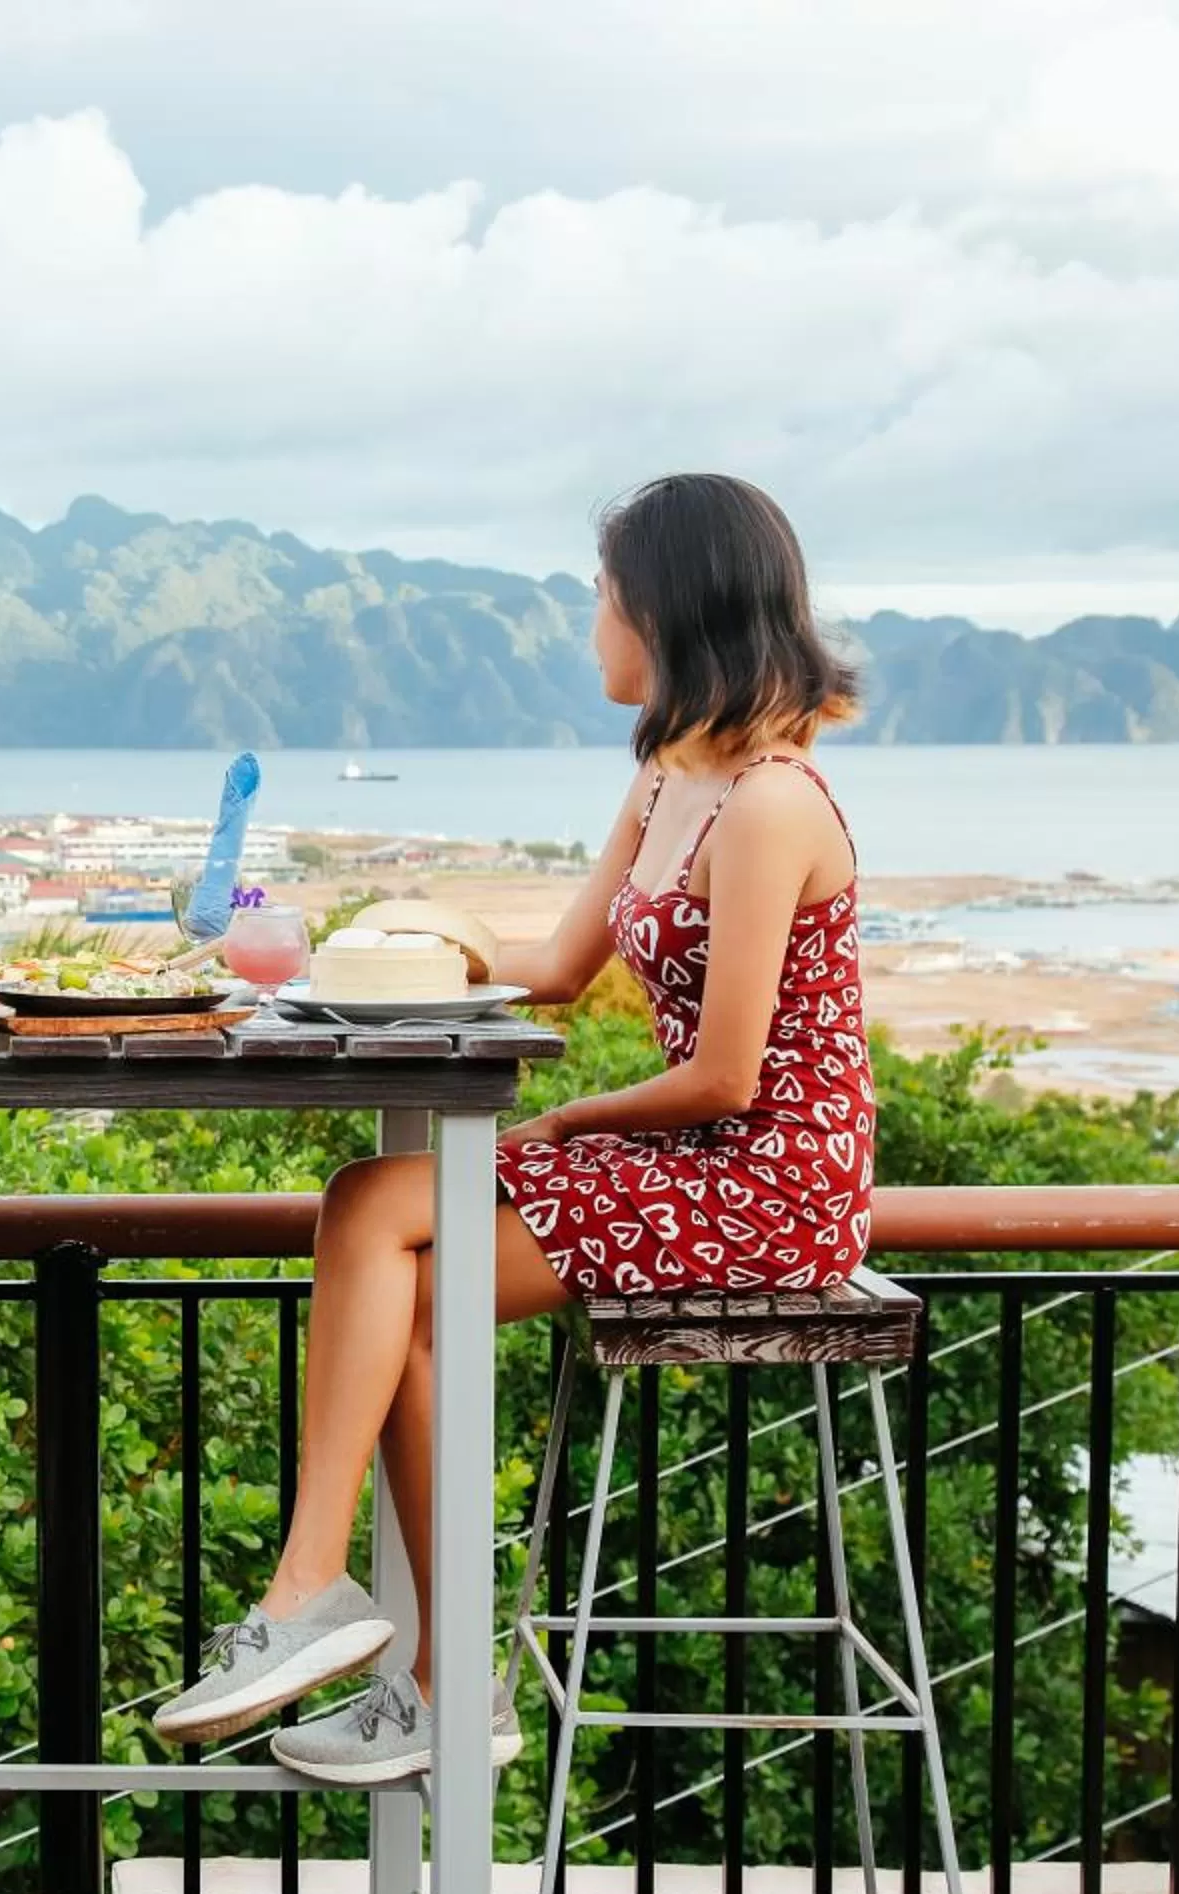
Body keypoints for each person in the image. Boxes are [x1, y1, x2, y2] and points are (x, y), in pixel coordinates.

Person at [152, 472, 874, 1781]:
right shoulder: (670, 781)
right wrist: (419, 932)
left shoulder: (771, 804)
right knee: (386, 1241)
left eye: (604, 597)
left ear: (668, 608)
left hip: (774, 1183)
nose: (592, 624)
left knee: (380, 1212)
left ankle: (325, 1602)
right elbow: (554, 966)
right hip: (693, 1163)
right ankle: (432, 1675)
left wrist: (567, 1124)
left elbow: (725, 1077)